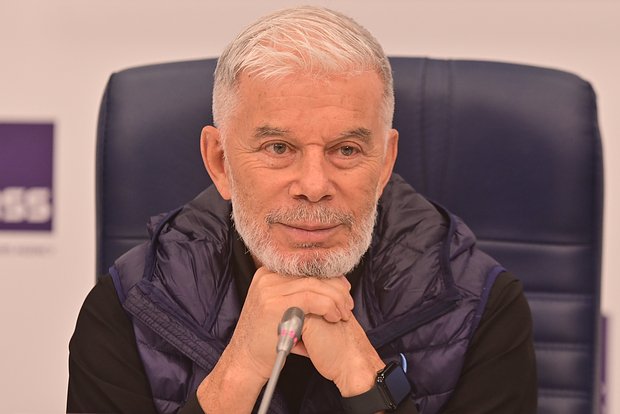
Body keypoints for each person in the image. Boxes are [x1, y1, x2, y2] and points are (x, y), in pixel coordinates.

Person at [67, 6, 537, 414]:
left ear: (384, 163)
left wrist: (364, 380)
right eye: (278, 147)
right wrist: (237, 372)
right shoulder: (128, 309)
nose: (313, 187)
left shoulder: (481, 307)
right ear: (220, 162)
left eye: (346, 150)